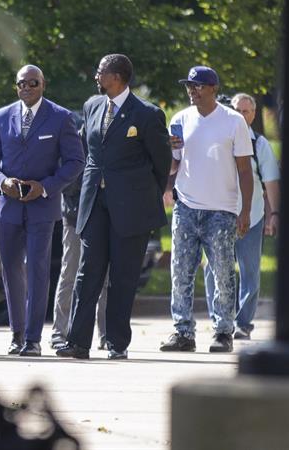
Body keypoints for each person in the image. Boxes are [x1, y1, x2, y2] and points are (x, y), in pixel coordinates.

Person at [57, 54, 171, 360]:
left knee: (123, 277)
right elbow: (87, 151)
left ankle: (117, 342)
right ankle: (78, 342)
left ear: (118, 77)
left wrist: (143, 196)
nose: (96, 77)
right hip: (95, 201)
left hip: (130, 207)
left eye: (101, 72)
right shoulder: (92, 106)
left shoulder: (147, 114)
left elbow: (161, 164)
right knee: (87, 272)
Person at [0, 64, 84, 357]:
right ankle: (16, 335)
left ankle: (33, 339)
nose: (26, 88)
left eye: (32, 83)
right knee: (11, 269)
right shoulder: (1, 117)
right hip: (9, 208)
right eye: (21, 84)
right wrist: (2, 183)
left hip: (43, 206)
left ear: (43, 84)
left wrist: (46, 186)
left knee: (38, 270)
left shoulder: (61, 117)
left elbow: (75, 162)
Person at [160, 66, 253, 354]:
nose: (192, 91)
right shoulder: (180, 119)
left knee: (223, 272)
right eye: (189, 86)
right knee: (181, 272)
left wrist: (245, 210)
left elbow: (245, 171)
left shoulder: (233, 121)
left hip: (221, 210)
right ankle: (183, 331)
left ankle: (224, 331)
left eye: (198, 86)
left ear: (213, 88)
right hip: (186, 206)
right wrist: (170, 152)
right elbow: (174, 166)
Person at [203, 93, 280, 340]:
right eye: (237, 110)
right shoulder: (220, 140)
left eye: (247, 111)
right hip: (218, 218)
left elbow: (271, 183)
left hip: (252, 216)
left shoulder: (260, 145)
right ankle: (219, 320)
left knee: (250, 273)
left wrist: (274, 214)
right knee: (213, 271)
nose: (242, 115)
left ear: (254, 115)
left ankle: (243, 323)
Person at [50, 170, 110, 351]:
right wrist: (93, 181)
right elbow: (64, 177)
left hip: (105, 211)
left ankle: (106, 334)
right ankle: (60, 332)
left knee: (106, 276)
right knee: (70, 272)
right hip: (74, 212)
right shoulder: (72, 140)